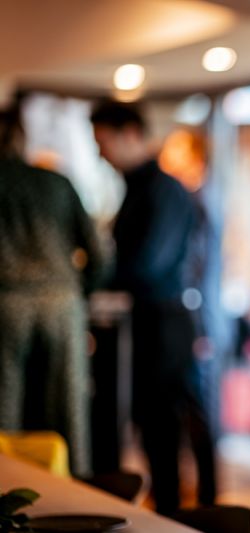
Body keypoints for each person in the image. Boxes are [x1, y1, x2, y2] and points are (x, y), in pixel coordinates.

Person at [90, 100, 216, 515]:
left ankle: (176, 515)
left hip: (166, 322)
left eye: (103, 142)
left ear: (130, 134)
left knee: (163, 427)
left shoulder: (164, 189)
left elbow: (149, 263)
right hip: (150, 320)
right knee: (152, 425)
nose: (101, 154)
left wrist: (101, 277)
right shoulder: (138, 187)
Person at [0, 105, 105, 477]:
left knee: (5, 413)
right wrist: (80, 291)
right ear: (21, 136)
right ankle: (74, 496)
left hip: (6, 302)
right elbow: (99, 253)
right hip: (62, 302)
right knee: (67, 413)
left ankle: (8, 496)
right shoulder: (56, 182)